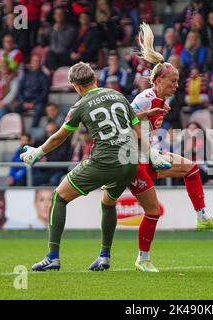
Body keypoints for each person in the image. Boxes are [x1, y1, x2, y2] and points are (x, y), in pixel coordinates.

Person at [97, 23, 213, 273]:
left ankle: (202, 218)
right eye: (173, 81)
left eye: (178, 80)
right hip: (130, 160)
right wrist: (149, 120)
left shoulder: (161, 100)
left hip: (145, 156)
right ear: (158, 80)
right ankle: (140, 259)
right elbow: (123, 126)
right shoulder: (146, 99)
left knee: (192, 169)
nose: (176, 85)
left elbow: (143, 129)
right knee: (152, 210)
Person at [22, 61, 170, 271]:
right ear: (96, 79)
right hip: (129, 162)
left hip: (105, 161)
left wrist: (37, 152)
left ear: (76, 86)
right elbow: (137, 131)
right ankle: (104, 256)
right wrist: (152, 154)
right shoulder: (118, 96)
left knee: (59, 197)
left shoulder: (81, 105)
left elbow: (59, 137)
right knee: (108, 203)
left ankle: (52, 256)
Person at [14, 54, 50, 128]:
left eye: (38, 61)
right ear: (31, 62)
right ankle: (21, 129)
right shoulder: (26, 75)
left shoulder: (44, 76)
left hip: (38, 101)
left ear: (40, 63)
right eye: (34, 61)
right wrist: (24, 102)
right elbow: (19, 90)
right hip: (25, 100)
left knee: (39, 108)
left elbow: (45, 93)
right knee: (15, 109)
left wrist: (34, 103)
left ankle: (33, 128)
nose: (36, 63)